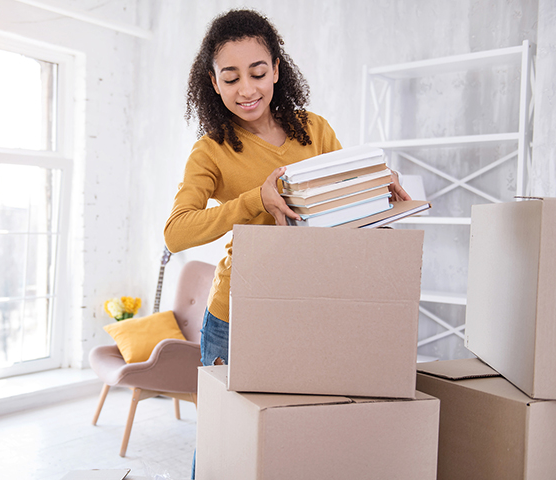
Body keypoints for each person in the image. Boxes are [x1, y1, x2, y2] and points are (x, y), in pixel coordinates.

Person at [164, 8, 409, 477]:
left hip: (310, 303)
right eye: (230, 78)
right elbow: (177, 230)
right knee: (223, 434)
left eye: (258, 73)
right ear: (213, 84)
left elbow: (348, 207)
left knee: (295, 431)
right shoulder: (211, 149)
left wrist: (379, 186)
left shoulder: (314, 130)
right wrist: (256, 199)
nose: (247, 89)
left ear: (277, 69)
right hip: (237, 313)